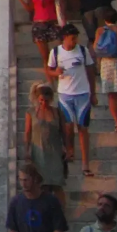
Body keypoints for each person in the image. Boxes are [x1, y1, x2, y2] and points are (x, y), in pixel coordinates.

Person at [49, 24, 96, 176]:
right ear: (65, 38)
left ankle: (85, 163)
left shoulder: (83, 51)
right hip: (65, 94)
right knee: (68, 127)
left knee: (83, 128)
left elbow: (90, 71)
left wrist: (93, 93)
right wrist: (56, 73)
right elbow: (48, 70)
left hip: (82, 94)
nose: (75, 41)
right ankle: (70, 150)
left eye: (76, 38)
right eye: (72, 38)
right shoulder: (55, 52)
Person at [24, 83, 68, 201]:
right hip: (38, 153)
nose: (44, 103)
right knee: (41, 185)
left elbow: (64, 132)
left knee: (57, 185)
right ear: (38, 99)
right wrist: (27, 150)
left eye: (46, 101)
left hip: (55, 152)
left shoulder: (57, 112)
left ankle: (60, 213)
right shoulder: (31, 113)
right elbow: (28, 132)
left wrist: (68, 148)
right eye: (41, 100)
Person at [20, 0, 65, 68]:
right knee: (46, 57)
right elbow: (30, 9)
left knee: (59, 54)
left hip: (53, 22)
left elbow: (59, 4)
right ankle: (50, 81)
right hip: (39, 24)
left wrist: (62, 22)